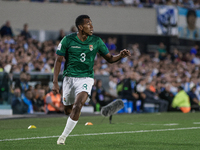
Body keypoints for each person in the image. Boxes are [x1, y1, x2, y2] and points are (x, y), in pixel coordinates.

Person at [52, 15, 131, 145]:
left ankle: (62, 137)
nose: (92, 27)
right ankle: (71, 117)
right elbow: (58, 60)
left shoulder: (96, 41)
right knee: (68, 110)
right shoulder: (67, 40)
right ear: (80, 27)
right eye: (89, 24)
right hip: (69, 79)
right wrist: (55, 82)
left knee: (78, 105)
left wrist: (120, 56)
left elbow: (110, 59)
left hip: (86, 77)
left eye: (92, 24)